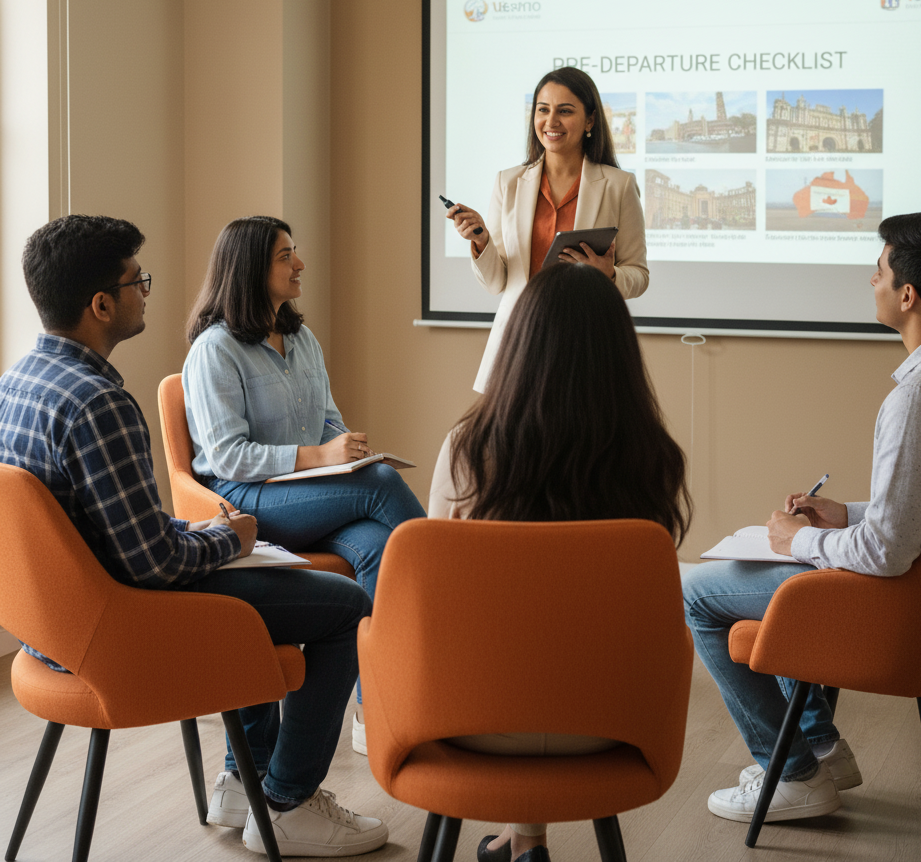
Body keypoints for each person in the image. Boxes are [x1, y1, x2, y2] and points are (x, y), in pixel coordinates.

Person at [0, 215, 388, 857]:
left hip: (52, 632)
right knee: (345, 605)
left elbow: (110, 531)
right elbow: (152, 563)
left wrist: (199, 530)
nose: (146, 292)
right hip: (121, 630)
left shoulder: (16, 384)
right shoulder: (99, 403)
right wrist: (226, 540)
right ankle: (288, 800)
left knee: (263, 581)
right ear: (101, 304)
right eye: (137, 281)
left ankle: (242, 779)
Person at [683, 212, 921, 825]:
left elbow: (888, 554)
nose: (872, 280)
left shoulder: (916, 399)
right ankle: (819, 749)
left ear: (907, 295)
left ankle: (793, 775)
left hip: (911, 612)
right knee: (791, 572)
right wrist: (843, 514)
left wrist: (804, 538)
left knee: (699, 593)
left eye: (880, 271)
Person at [428, 262, 691, 862]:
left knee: (509, 642)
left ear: (519, 345)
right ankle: (523, 844)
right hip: (614, 723)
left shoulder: (467, 452)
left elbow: (434, 592)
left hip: (472, 717)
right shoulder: (652, 461)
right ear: (621, 357)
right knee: (564, 640)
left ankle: (522, 842)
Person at [182, 215, 425, 754]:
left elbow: (329, 419)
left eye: (295, 252)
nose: (300, 265)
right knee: (381, 485)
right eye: (285, 256)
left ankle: (374, 708)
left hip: (310, 494)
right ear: (250, 269)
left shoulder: (303, 338)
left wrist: (346, 448)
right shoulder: (215, 350)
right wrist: (319, 456)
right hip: (243, 499)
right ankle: (446, 589)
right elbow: (226, 456)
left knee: (383, 544)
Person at [445, 66, 648, 392]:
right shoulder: (507, 182)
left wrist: (608, 275)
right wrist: (481, 240)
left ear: (591, 121)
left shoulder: (619, 186)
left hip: (587, 344)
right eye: (543, 110)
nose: (551, 121)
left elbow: (638, 274)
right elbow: (497, 282)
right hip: (520, 342)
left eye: (565, 111)